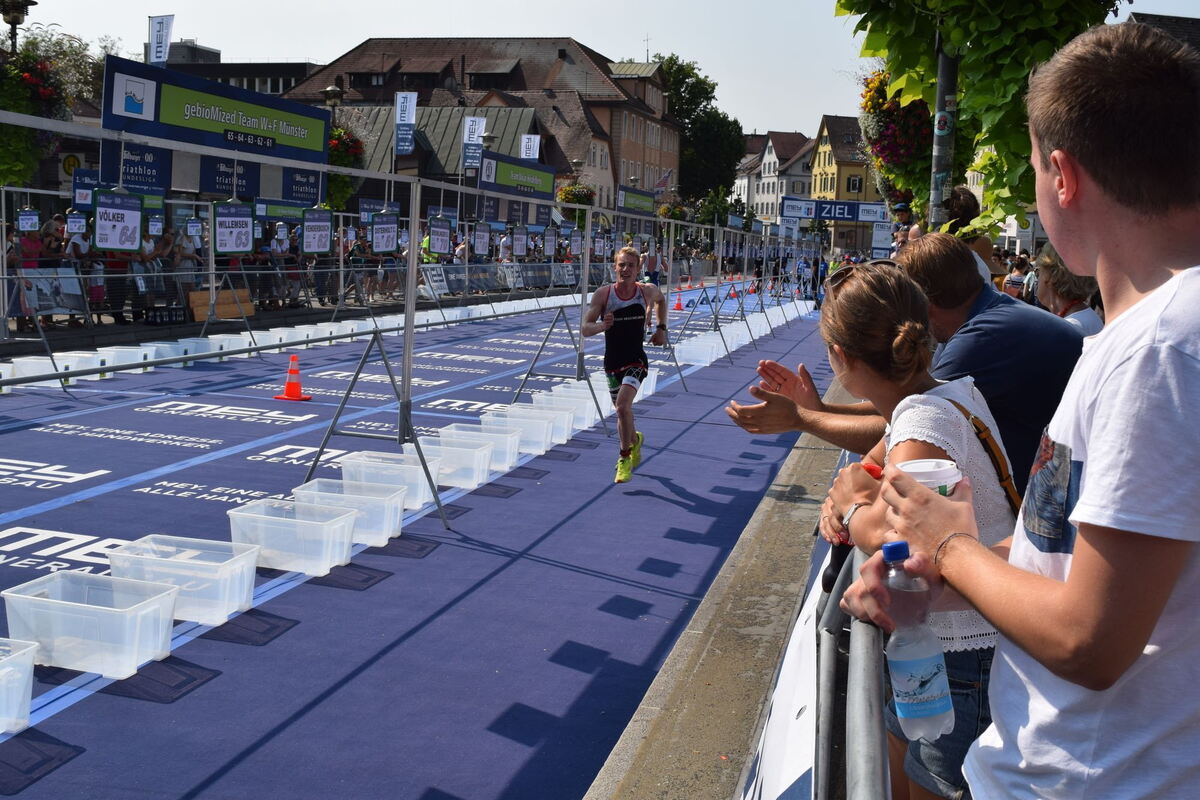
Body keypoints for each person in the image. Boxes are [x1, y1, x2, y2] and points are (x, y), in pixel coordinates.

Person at [843, 23, 1200, 799]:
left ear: (1062, 176)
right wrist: (945, 574)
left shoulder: (1162, 347)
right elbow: (1080, 571)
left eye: (1036, 169)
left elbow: (1090, 640)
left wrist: (952, 546)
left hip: (1091, 777)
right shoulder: (1144, 333)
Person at [816, 261, 1016, 800]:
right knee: (898, 764)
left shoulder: (923, 422)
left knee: (933, 785)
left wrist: (854, 510)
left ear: (841, 358)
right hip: (944, 644)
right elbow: (868, 478)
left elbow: (891, 535)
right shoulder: (940, 398)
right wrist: (853, 498)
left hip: (960, 652)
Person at [727, 233, 1081, 497]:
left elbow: (905, 422)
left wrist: (802, 419)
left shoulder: (979, 340)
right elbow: (899, 400)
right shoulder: (991, 319)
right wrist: (818, 410)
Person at [582, 245, 668, 483]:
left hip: (636, 359)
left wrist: (661, 329)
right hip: (612, 361)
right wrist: (602, 326)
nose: (626, 269)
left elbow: (662, 301)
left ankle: (623, 458)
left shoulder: (647, 291)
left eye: (631, 265)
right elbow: (585, 329)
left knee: (622, 407)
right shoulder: (604, 295)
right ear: (614, 267)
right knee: (623, 414)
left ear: (639, 269)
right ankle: (634, 441)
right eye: (622, 265)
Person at [1034, 242, 1103, 335]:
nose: (1037, 279)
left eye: (1038, 272)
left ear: (1049, 277)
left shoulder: (1069, 327)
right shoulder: (1086, 316)